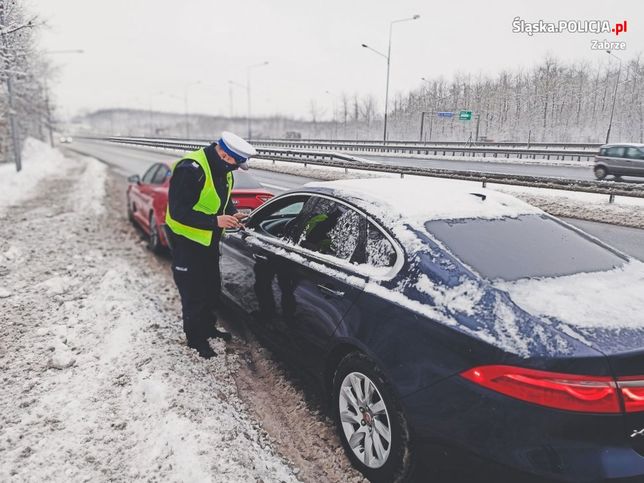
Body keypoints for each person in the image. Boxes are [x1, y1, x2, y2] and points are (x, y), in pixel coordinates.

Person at [165, 131, 256, 358]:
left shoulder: (222, 170)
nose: (236, 168)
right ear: (225, 155)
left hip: (207, 241)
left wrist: (234, 213)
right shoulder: (190, 169)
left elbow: (220, 201)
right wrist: (216, 221)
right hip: (187, 242)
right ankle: (196, 340)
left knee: (210, 289)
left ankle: (207, 328)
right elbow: (178, 212)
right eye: (236, 163)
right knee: (193, 293)